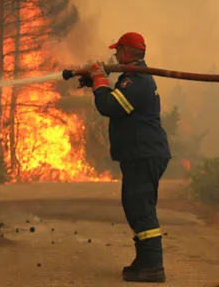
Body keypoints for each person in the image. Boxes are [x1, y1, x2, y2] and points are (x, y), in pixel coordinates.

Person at [79, 31, 172, 283]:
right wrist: (94, 82)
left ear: (128, 52)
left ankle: (153, 265)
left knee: (141, 209)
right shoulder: (133, 78)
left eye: (118, 50)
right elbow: (112, 98)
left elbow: (110, 107)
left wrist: (100, 81)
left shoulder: (137, 81)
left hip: (144, 154)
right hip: (139, 154)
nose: (115, 55)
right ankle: (144, 261)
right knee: (134, 207)